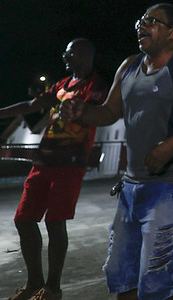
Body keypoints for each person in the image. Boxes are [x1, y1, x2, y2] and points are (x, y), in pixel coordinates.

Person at [59, 3, 173, 300]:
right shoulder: (129, 66)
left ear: (172, 32)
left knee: (155, 276)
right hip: (132, 183)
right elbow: (110, 112)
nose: (141, 25)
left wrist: (172, 145)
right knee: (119, 272)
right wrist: (82, 111)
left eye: (152, 21)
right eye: (140, 20)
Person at [0, 39, 107, 300]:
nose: (65, 57)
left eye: (70, 53)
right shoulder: (61, 84)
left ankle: (52, 288)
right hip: (44, 160)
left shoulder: (97, 86)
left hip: (70, 164)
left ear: (85, 54)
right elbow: (31, 105)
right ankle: (34, 283)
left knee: (55, 222)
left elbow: (102, 112)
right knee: (24, 219)